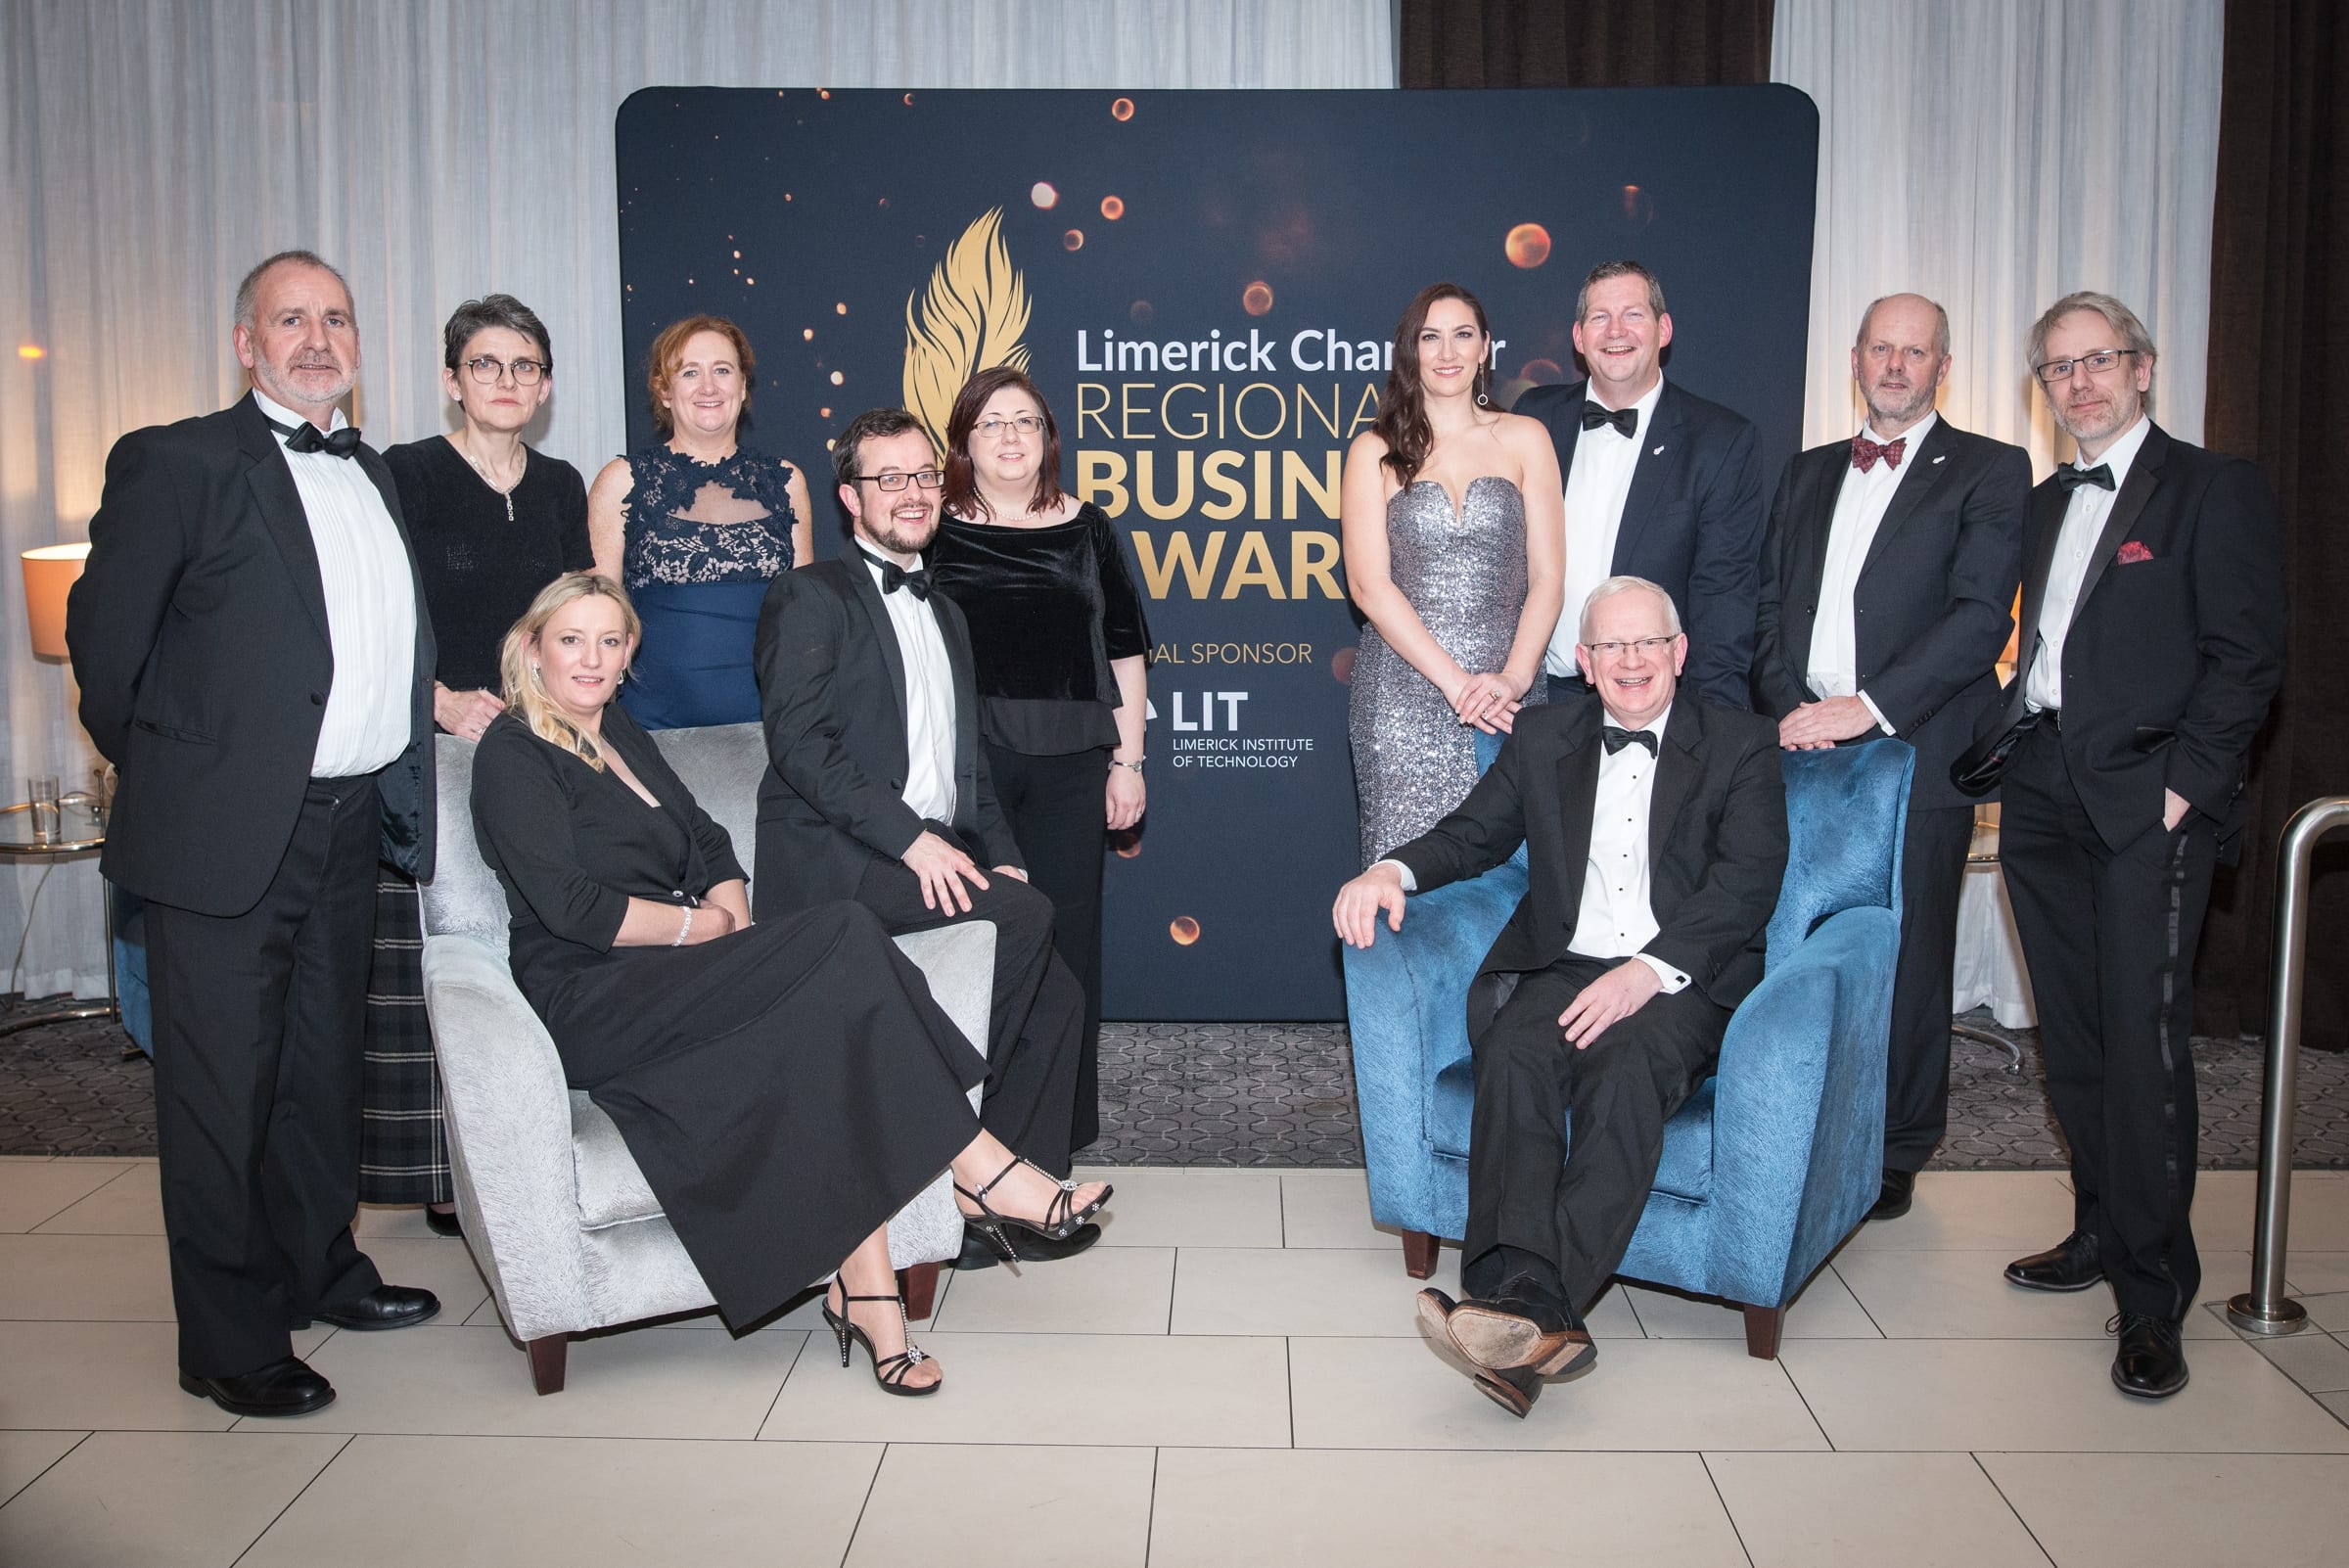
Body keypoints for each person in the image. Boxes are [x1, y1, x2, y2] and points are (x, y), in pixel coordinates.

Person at [470, 573, 1110, 1394]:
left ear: (630, 655)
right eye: (571, 640)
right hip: (594, 991)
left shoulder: (618, 732)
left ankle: (870, 1297)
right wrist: (704, 928)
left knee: (825, 1033)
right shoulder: (514, 752)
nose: (591, 660)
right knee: (844, 928)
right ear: (532, 649)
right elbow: (572, 909)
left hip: (680, 973)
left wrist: (729, 905)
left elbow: (706, 840)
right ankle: (980, 1163)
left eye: (609, 641)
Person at [66, 251, 442, 1418]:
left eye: (337, 318)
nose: (317, 338)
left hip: (343, 824)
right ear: (246, 343)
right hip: (222, 834)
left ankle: (318, 1267)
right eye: (291, 319)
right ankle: (227, 1339)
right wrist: (193, 778)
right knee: (220, 1092)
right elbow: (106, 653)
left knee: (318, 1077)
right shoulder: (177, 460)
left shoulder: (371, 472)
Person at [1336, 576, 1786, 1418]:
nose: (1631, 662)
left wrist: (1648, 972)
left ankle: (1516, 1309)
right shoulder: (1545, 734)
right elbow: (1475, 834)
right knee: (1512, 1052)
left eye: (1648, 643)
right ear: (1582, 661)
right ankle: (1528, 1318)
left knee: (1621, 1071)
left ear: (1679, 653)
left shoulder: (1740, 743)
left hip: (1679, 978)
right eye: (1611, 647)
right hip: (1566, 961)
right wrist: (1388, 869)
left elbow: (1748, 884)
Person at [1957, 292, 2284, 1399]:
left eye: (2098, 362)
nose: (2079, 383)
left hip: (2151, 804)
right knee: (2079, 1039)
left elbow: (2247, 656)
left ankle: (2153, 1298)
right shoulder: (2047, 502)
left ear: (2142, 369)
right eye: (2059, 369)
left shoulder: (2211, 489)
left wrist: (2189, 790)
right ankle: (2100, 1229)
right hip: (2045, 793)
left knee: (2144, 1056)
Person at [753, 407, 1096, 1269]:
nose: (911, 494)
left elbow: (964, 756)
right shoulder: (810, 595)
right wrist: (911, 841)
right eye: (888, 479)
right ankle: (963, 1168)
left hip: (926, 844)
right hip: (838, 859)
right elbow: (801, 748)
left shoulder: (945, 611)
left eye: (921, 477)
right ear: (849, 496)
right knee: (1020, 922)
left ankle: (1011, 1205)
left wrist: (999, 846)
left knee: (1060, 997)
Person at [1751, 294, 2027, 1221]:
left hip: (1913, 745)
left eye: (1916, 352)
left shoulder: (1992, 470)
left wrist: (1863, 711)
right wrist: (1789, 702)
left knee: (1906, 957)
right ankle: (1799, 1111)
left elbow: (1981, 619)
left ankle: (1898, 1146)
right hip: (1801, 744)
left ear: (1942, 366)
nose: (1897, 366)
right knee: (1792, 940)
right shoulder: (1807, 472)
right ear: (1856, 360)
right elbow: (1767, 606)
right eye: (1882, 349)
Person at [375, 293, 592, 1236]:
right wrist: (436, 700)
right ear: (453, 379)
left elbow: (582, 612)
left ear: (545, 386)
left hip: (541, 750)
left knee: (536, 933)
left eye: (525, 368)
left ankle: (537, 1131)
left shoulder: (558, 484)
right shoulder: (406, 475)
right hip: (441, 749)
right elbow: (374, 614)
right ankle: (445, 1166)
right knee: (454, 950)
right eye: (487, 365)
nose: (507, 382)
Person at [928, 366, 1151, 1155]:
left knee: (1067, 942)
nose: (1010, 437)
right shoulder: (932, 530)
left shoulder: (1087, 525)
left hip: (1071, 764)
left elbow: (1124, 649)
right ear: (963, 442)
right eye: (991, 423)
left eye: (1024, 421)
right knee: (977, 941)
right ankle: (974, 1137)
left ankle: (1055, 1133)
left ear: (1048, 438)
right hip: (968, 769)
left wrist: (1128, 763)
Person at [1342, 282, 1565, 866]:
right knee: (1402, 876)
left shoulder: (1526, 438)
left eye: (1463, 335)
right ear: (1409, 352)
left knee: (1512, 878)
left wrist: (1512, 680)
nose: (1447, 352)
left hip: (1509, 695)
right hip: (1402, 697)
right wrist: (1457, 683)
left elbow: (1549, 577)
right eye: (1430, 337)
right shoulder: (1374, 450)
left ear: (1486, 347)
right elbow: (1369, 586)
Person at [1515, 260, 1766, 710]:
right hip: (1536, 701)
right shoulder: (1534, 418)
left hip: (1652, 706)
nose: (1616, 332)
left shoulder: (1719, 440)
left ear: (1663, 329)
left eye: (1633, 314)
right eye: (1599, 318)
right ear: (1578, 337)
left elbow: (1723, 598)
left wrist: (1710, 733)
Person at [586, 314, 812, 729]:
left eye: (722, 370)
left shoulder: (787, 481)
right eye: (690, 372)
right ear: (665, 390)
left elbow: (808, 618)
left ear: (743, 387)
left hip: (772, 730)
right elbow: (598, 614)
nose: (708, 387)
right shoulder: (621, 481)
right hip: (652, 730)